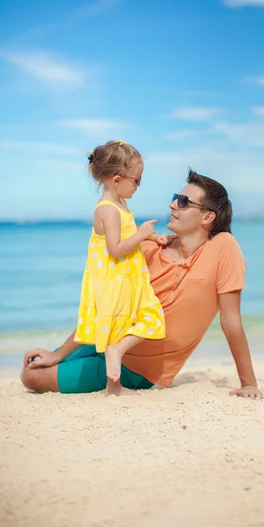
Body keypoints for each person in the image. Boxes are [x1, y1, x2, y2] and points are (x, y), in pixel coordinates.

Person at [21, 169, 263, 400]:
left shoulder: (223, 247)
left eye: (183, 201)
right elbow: (107, 304)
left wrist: (249, 383)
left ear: (208, 217)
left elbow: (230, 320)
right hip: (106, 339)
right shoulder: (146, 249)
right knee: (35, 365)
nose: (172, 204)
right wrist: (59, 353)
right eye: (175, 198)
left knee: (31, 377)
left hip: (137, 369)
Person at [69, 140, 166, 396]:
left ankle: (114, 386)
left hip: (128, 276)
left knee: (141, 321)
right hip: (115, 278)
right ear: (116, 180)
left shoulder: (120, 205)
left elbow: (127, 235)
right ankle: (115, 364)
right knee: (138, 322)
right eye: (137, 180)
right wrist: (142, 233)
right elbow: (115, 248)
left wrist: (153, 238)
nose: (139, 185)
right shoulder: (108, 210)